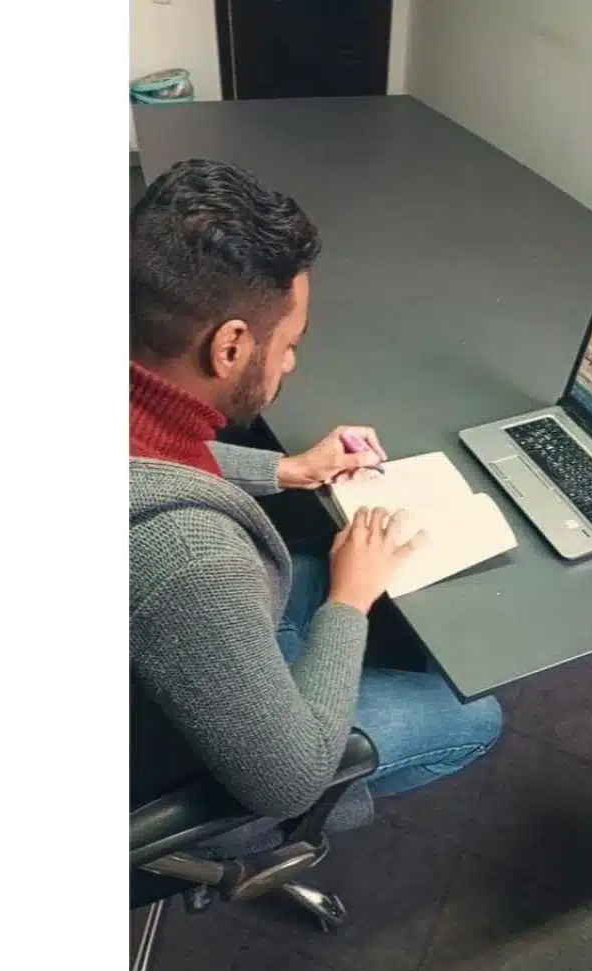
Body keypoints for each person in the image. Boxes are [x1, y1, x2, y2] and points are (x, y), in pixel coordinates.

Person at [130, 158, 502, 824]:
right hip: (179, 756)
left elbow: (159, 456)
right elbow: (290, 780)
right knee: (476, 717)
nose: (293, 363)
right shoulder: (193, 559)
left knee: (332, 567)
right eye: (290, 345)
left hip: (165, 642)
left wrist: (285, 470)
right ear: (230, 346)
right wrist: (349, 601)